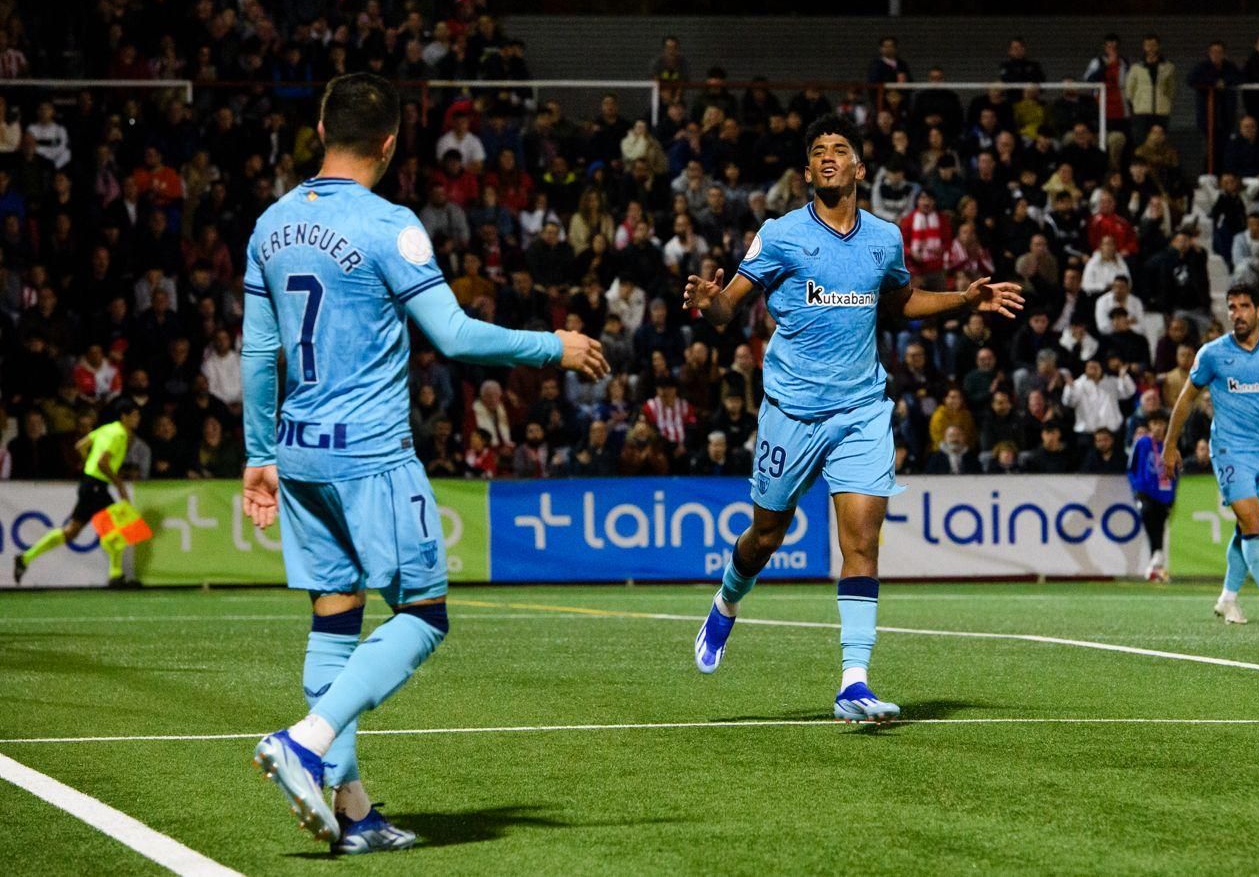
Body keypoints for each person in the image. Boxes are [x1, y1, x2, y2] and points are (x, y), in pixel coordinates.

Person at [240, 75, 608, 853]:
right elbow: (458, 336)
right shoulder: (390, 225)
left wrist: (257, 455)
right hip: (370, 454)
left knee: (334, 621)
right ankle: (304, 740)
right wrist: (557, 345)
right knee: (424, 613)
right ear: (390, 142)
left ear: (319, 128)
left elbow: (261, 350)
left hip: (300, 453)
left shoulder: (270, 224)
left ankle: (354, 812)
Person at [681, 113, 1022, 721]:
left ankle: (854, 681)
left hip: (862, 408)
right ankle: (728, 601)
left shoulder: (883, 239)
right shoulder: (781, 234)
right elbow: (730, 306)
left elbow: (901, 301)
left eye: (840, 149)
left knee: (861, 543)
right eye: (819, 152)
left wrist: (963, 298)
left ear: (860, 167)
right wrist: (710, 306)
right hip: (791, 411)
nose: (829, 158)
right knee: (766, 535)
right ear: (807, 171)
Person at [1163, 282, 1259, 626]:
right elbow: (1186, 399)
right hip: (1230, 449)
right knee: (1253, 522)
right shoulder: (1213, 354)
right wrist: (1169, 447)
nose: (1237, 314)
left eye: (1244, 306)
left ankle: (1227, 599)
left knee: (1248, 526)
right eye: (1232, 307)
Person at [14, 398, 141, 587]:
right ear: (124, 416)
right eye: (135, 415)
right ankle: (116, 575)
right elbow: (102, 462)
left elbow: (81, 445)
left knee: (72, 531)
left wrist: (86, 463)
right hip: (97, 484)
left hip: (89, 483)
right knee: (116, 526)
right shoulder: (119, 434)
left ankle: (25, 558)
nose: (138, 419)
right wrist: (120, 485)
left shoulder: (107, 429)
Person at [1128, 411, 1175, 582]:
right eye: (1154, 423)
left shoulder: (1170, 446)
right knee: (1147, 515)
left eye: (1161, 423)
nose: (1158, 427)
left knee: (1160, 527)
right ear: (1149, 425)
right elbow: (1131, 467)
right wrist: (1136, 488)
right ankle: (1157, 558)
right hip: (1145, 491)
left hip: (1164, 494)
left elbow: (1174, 471)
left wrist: (1172, 495)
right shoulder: (1142, 443)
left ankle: (1156, 566)